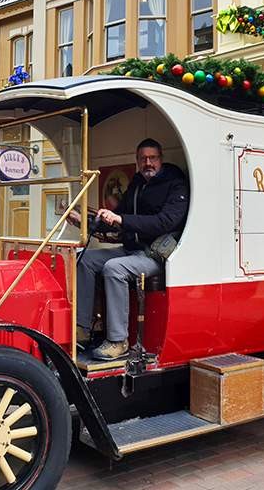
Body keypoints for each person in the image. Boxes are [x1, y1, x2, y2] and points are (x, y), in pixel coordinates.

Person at [76, 138, 189, 360]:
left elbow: (165, 222)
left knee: (114, 268)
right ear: (137, 161)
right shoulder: (137, 184)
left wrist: (121, 218)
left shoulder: (175, 184)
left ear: (161, 159)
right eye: (143, 159)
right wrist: (85, 222)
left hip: (154, 256)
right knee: (85, 258)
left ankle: (118, 341)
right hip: (130, 250)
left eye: (152, 158)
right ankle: (82, 328)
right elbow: (118, 216)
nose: (148, 163)